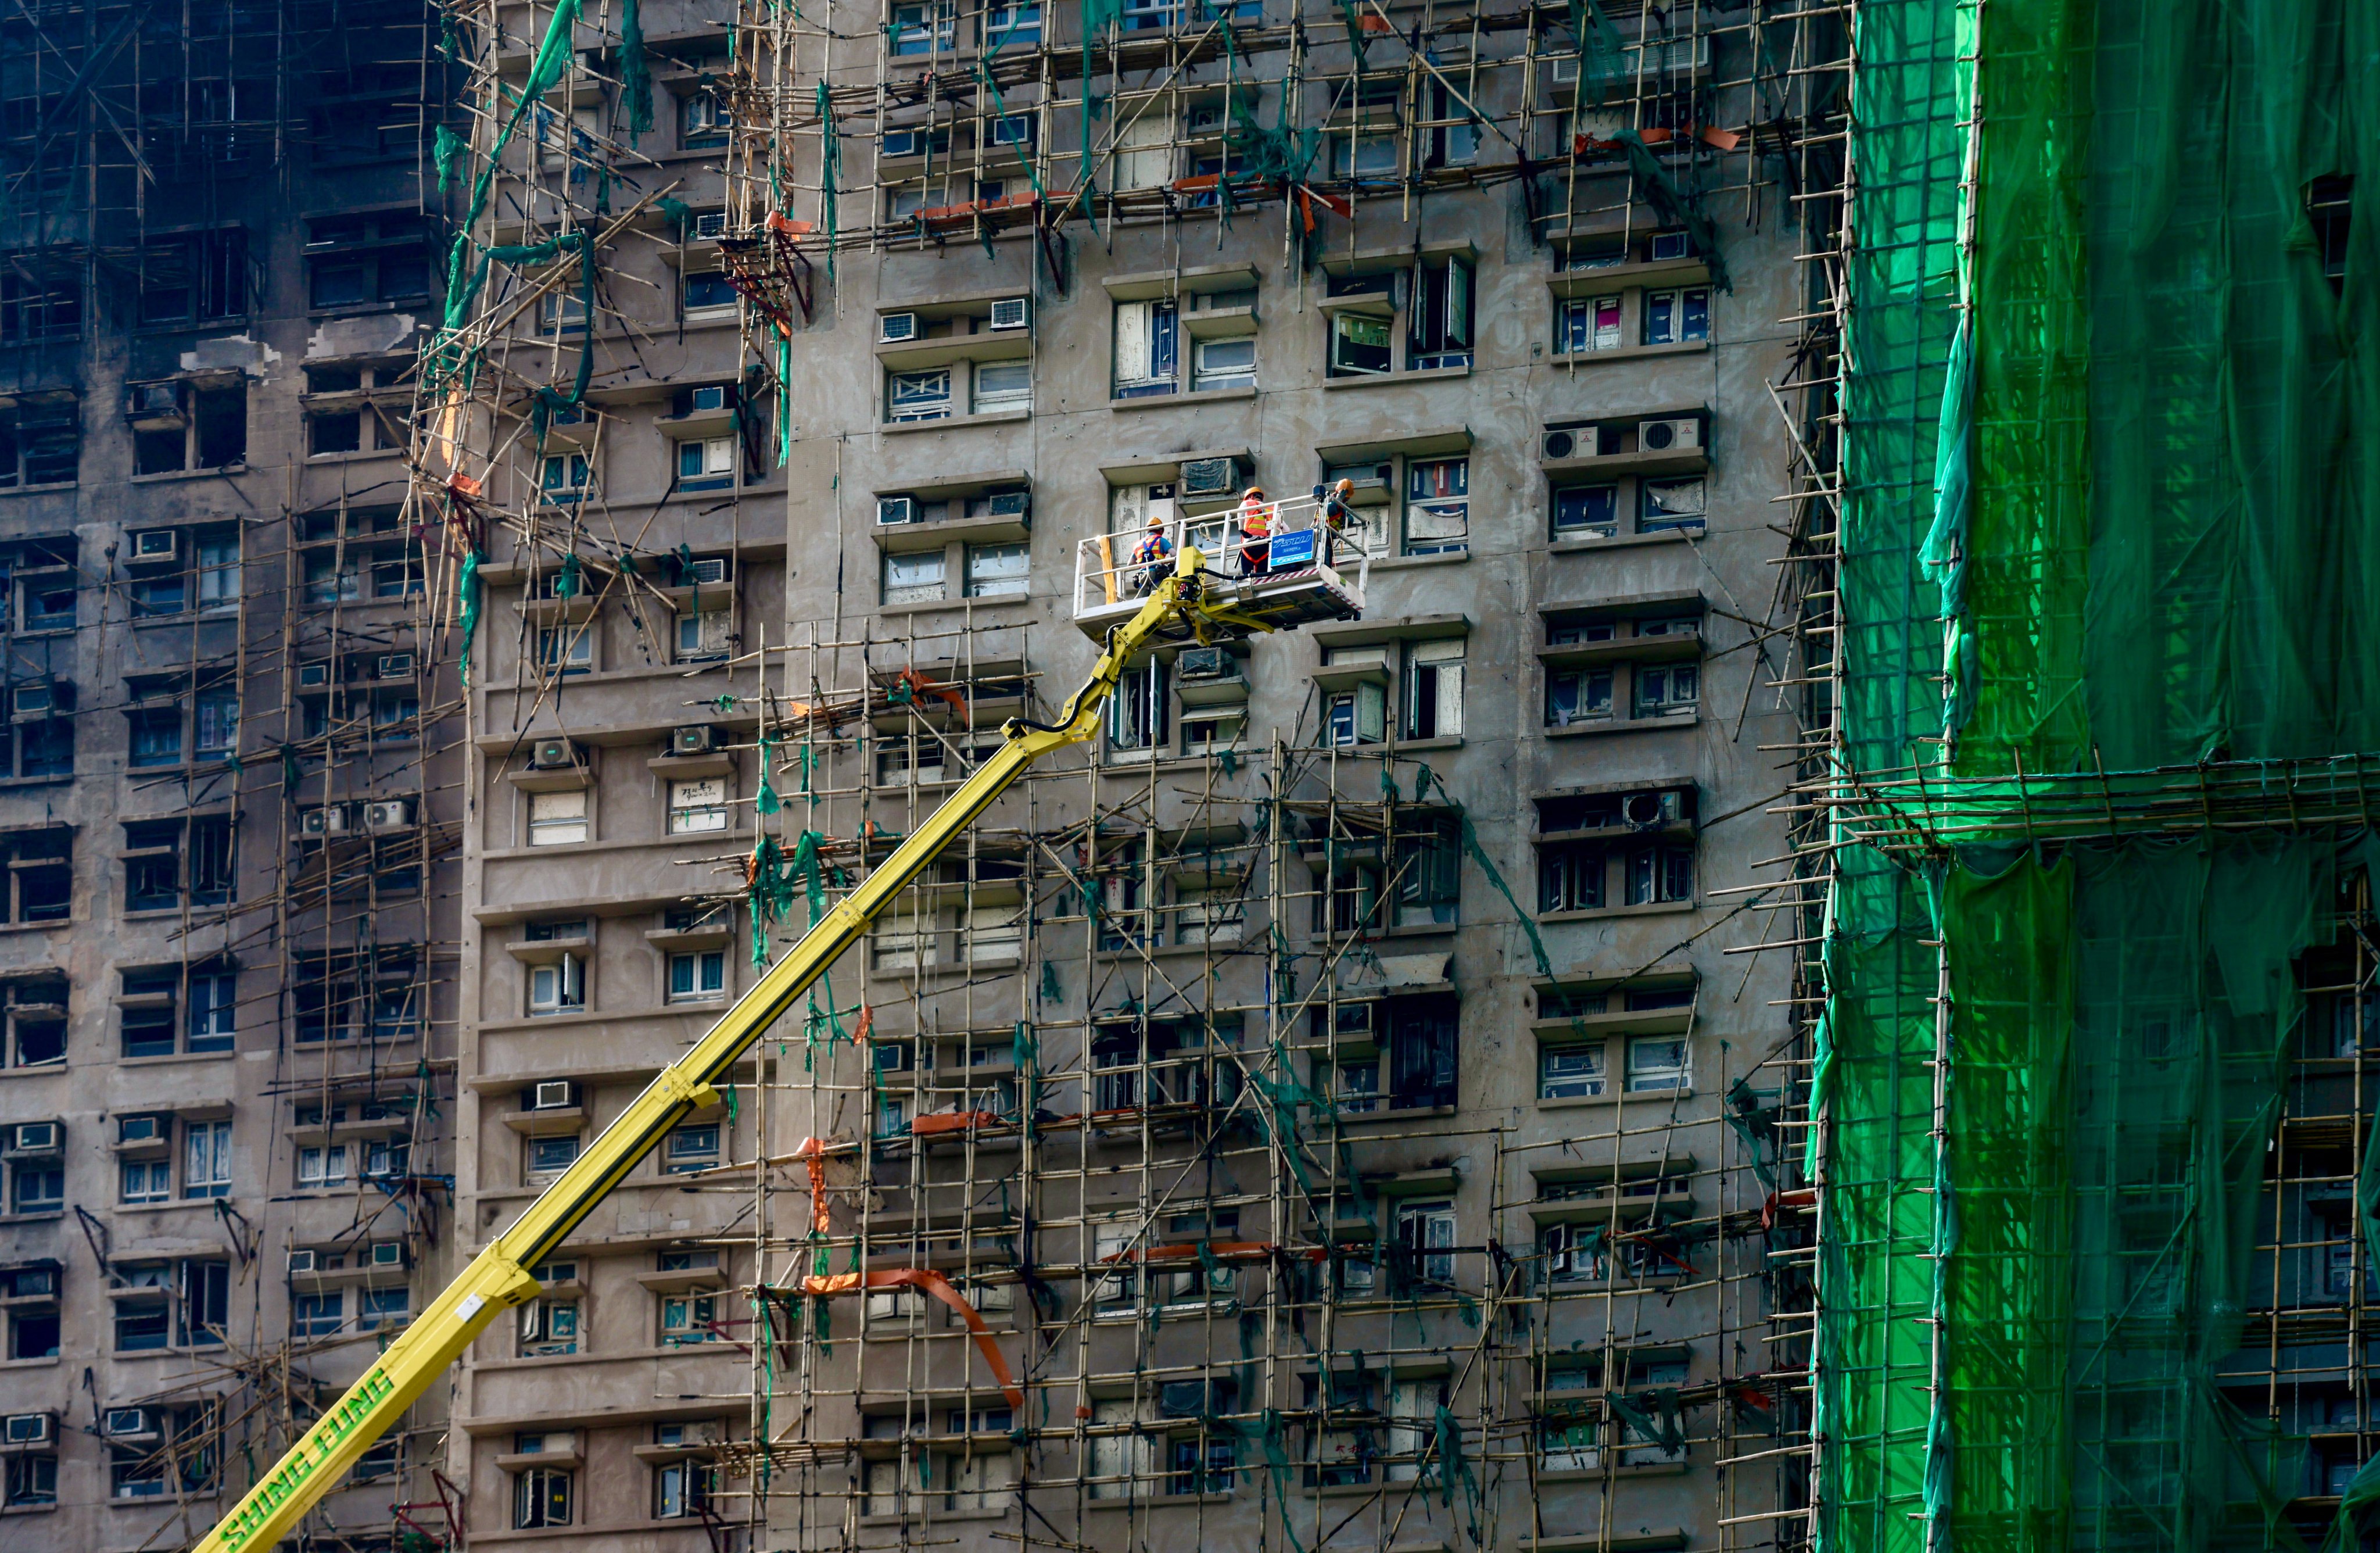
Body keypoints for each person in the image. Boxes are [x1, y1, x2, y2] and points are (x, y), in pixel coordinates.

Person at [1128, 514, 1174, 595]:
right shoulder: (1161, 540)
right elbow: (1174, 554)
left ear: (1147, 531)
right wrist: (1170, 565)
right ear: (1161, 531)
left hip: (1142, 575)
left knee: (1143, 602)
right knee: (1158, 599)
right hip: (1157, 574)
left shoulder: (1138, 544)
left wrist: (1142, 565)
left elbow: (1130, 564)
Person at [1236, 485, 1272, 577]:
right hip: (1265, 547)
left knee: (1247, 577)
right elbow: (1286, 529)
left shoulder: (1247, 503)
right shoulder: (1271, 509)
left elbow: (1240, 513)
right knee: (1263, 578)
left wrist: (1241, 530)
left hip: (1249, 545)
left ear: (1250, 496)